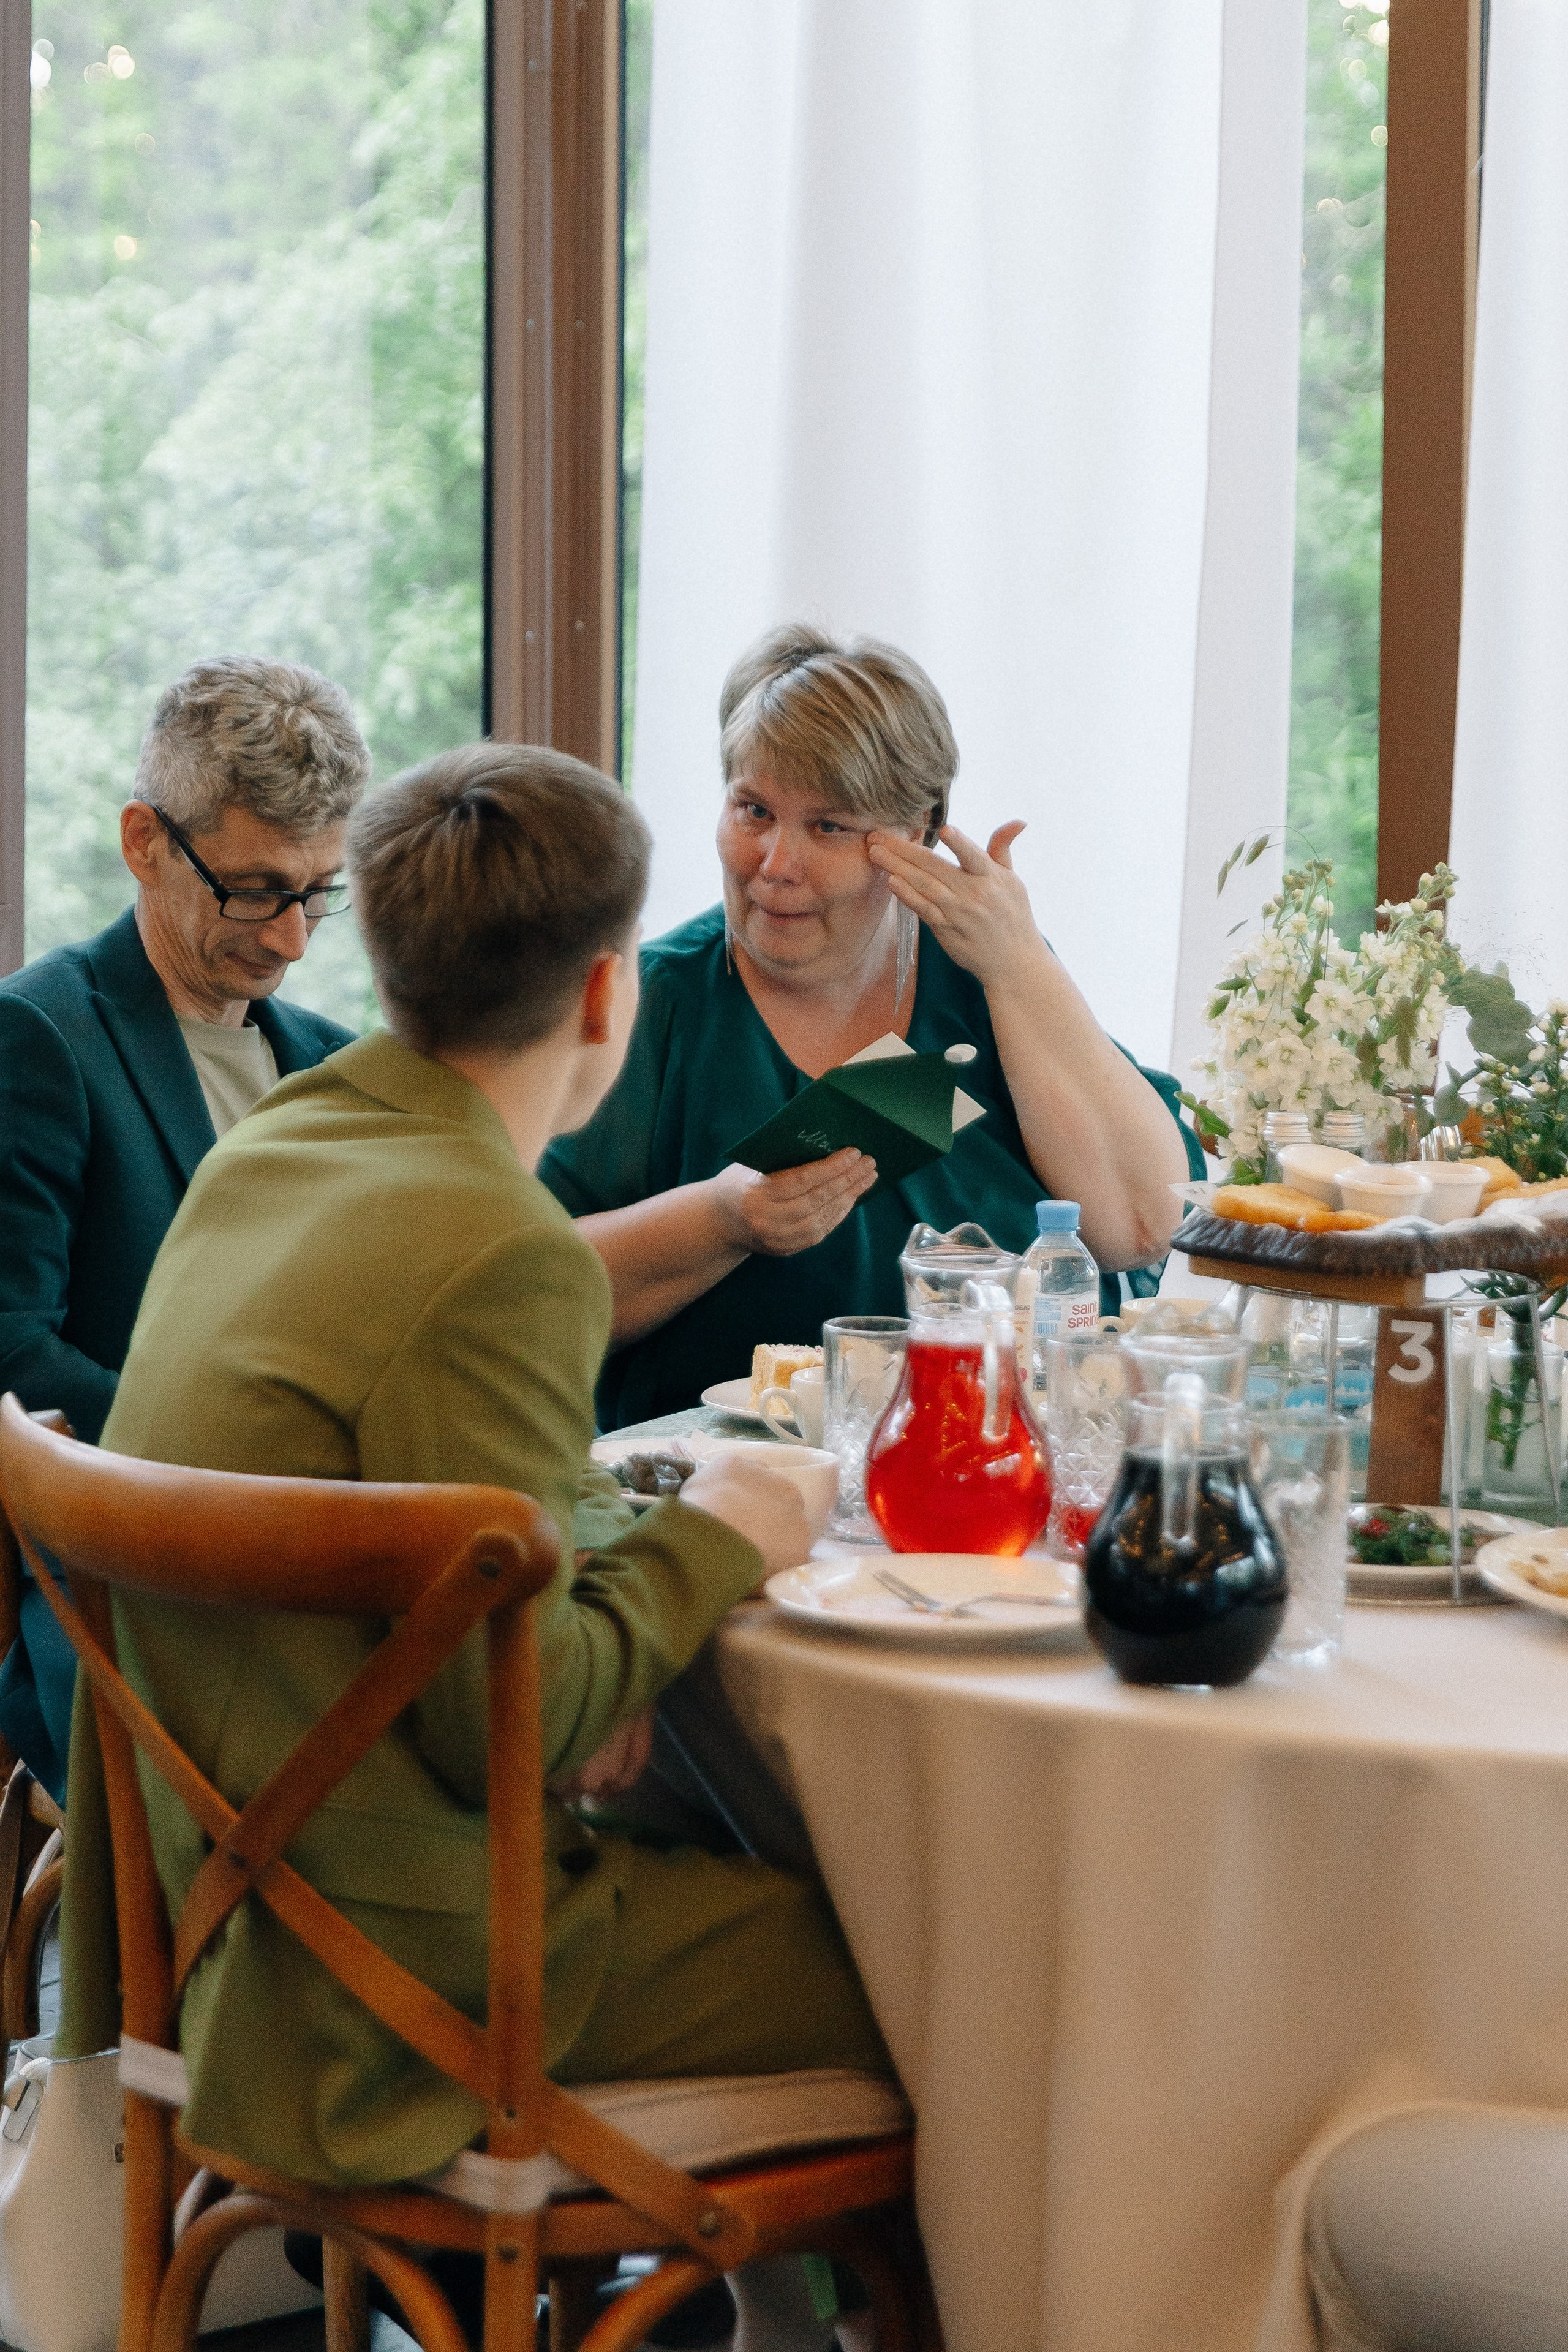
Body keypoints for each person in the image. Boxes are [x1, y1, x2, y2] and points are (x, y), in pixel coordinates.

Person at [58, 742, 891, 2211]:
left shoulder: (274, 1145)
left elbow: (444, 1493)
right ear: (602, 992)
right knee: (937, 1950)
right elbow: (517, 1716)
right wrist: (727, 1527)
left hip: (220, 1924)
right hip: (408, 1976)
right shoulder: (503, 1251)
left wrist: (579, 1613)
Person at [541, 624, 1205, 1427]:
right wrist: (723, 1219)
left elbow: (1139, 1228)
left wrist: (1023, 964)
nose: (776, 862)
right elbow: (520, 1297)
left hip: (994, 1474)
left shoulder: (985, 980)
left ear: (921, 833)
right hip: (719, 1498)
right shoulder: (652, 1005)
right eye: (754, 809)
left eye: (829, 827)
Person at [0, 657, 368, 1796]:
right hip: (128, 1582)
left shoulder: (331, 1063)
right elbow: (14, 1355)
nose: (292, 939)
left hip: (330, 1560)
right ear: (144, 841)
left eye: (318, 893)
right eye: (255, 889)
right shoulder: (41, 1038)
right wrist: (252, 1467)